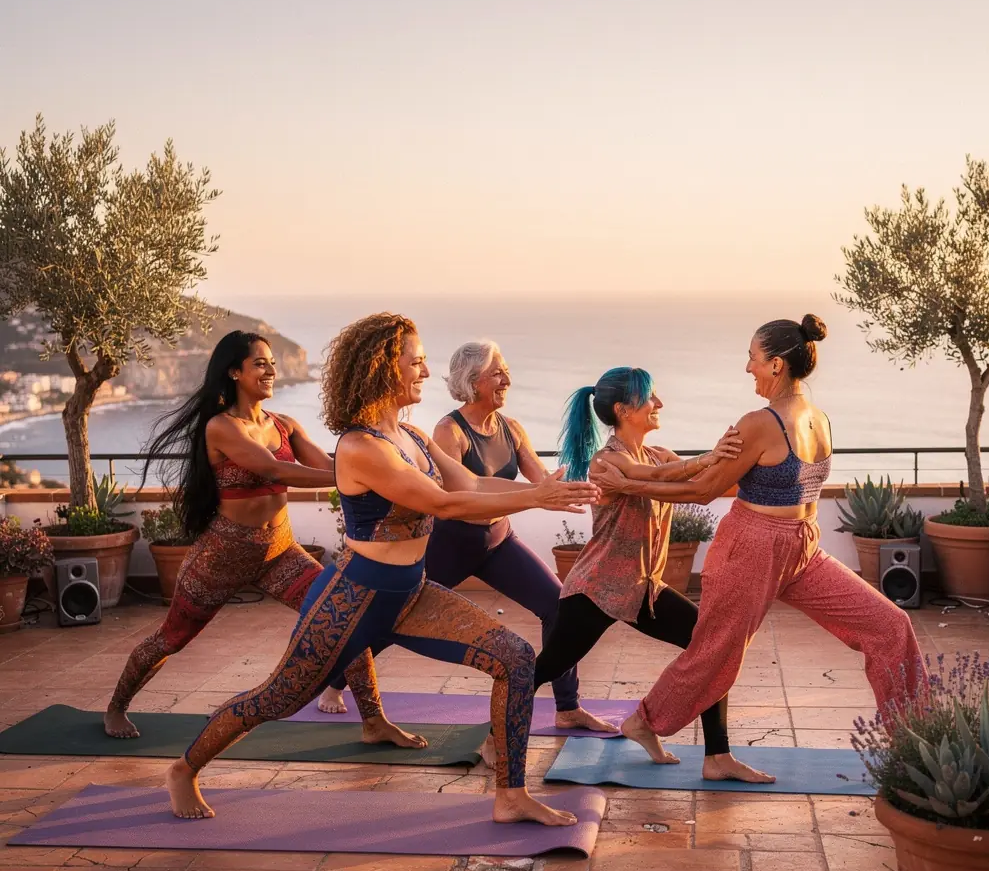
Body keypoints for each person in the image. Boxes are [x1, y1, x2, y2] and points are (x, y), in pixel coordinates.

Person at [164, 312, 600, 825]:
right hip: (352, 598)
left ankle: (510, 795)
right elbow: (444, 504)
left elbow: (470, 485)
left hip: (411, 593)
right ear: (382, 367)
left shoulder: (411, 434)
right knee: (278, 698)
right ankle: (184, 770)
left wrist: (541, 491)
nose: (426, 371)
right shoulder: (361, 446)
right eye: (416, 362)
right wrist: (537, 498)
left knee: (516, 658)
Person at [587, 316, 924, 763]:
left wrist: (633, 482)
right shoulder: (759, 423)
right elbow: (705, 489)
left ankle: (915, 744)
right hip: (749, 547)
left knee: (889, 625)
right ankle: (645, 722)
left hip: (802, 547)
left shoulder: (813, 418)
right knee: (717, 654)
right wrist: (632, 483)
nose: (748, 367)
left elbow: (712, 488)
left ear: (777, 365)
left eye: (753, 358)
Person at [316, 339, 614, 732]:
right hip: (452, 545)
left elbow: (540, 481)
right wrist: (535, 496)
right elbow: (456, 496)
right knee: (393, 620)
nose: (506, 379)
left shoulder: (511, 428)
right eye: (496, 373)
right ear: (473, 382)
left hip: (498, 542)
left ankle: (568, 706)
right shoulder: (447, 431)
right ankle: (336, 682)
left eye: (506, 371)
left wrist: (568, 491)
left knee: (558, 605)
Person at [529, 366, 775, 782]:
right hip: (597, 589)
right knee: (544, 669)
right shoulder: (606, 463)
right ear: (624, 410)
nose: (659, 404)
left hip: (644, 589)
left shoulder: (658, 453)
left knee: (713, 646)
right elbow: (657, 479)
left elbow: (702, 482)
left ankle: (717, 756)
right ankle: (496, 733)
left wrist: (754, 458)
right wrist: (711, 455)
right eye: (649, 399)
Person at [103, 331, 337, 739]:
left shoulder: (285, 425)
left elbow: (326, 466)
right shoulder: (222, 427)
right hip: (222, 557)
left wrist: (371, 466)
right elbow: (274, 470)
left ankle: (373, 718)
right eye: (260, 363)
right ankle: (116, 707)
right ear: (234, 372)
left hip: (279, 552)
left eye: (272, 363)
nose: (270, 370)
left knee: (340, 613)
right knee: (171, 638)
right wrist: (355, 477)